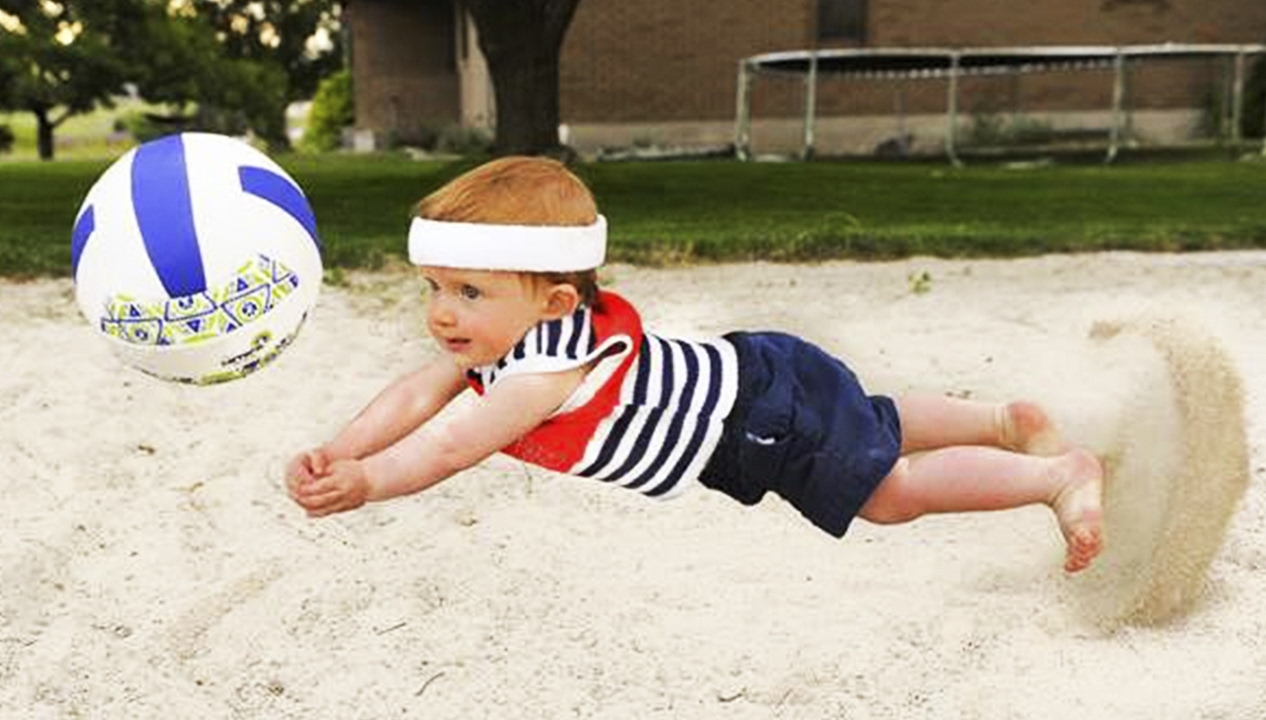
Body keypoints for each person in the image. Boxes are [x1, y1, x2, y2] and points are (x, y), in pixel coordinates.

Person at [285, 156, 1104, 573]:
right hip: (761, 373)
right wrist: (347, 447)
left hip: (758, 422)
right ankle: (1002, 420)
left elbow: (448, 444)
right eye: (433, 287)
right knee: (865, 416)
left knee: (887, 494)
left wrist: (368, 485)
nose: (442, 313)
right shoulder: (514, 337)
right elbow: (414, 395)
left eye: (468, 291)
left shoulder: (541, 375)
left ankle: (1056, 477)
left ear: (554, 305)